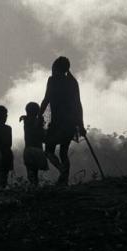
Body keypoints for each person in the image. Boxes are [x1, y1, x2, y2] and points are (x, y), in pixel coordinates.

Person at [39, 57, 86, 186]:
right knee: (63, 152)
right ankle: (64, 178)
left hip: (58, 123)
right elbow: (78, 105)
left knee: (49, 150)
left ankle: (62, 172)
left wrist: (38, 116)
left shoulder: (53, 80)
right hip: (71, 123)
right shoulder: (72, 82)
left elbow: (46, 99)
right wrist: (80, 124)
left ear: (56, 68)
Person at [20, 102, 48, 187]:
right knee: (34, 173)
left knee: (31, 173)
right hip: (38, 150)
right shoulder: (38, 121)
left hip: (29, 149)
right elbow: (43, 137)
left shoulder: (27, 120)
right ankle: (35, 187)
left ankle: (33, 187)